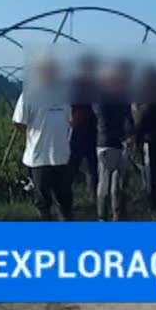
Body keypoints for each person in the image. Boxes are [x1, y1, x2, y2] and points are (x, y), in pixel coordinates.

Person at [12, 55, 73, 221]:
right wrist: (35, 134)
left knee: (65, 200)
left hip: (61, 157)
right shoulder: (29, 94)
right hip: (39, 158)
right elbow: (19, 122)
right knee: (43, 202)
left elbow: (69, 121)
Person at [92, 64, 135, 222]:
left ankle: (117, 215)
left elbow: (129, 118)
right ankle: (102, 216)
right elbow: (103, 123)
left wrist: (130, 134)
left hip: (121, 143)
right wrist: (124, 135)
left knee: (118, 183)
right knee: (105, 182)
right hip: (107, 144)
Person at [68, 54, 99, 206]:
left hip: (89, 130)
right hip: (81, 130)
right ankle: (67, 199)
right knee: (75, 166)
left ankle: (93, 198)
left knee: (91, 167)